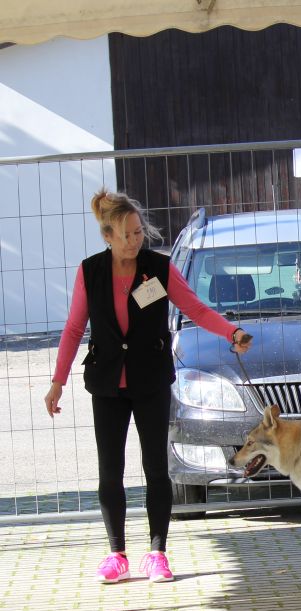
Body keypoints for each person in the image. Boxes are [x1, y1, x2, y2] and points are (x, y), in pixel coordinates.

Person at [44, 189, 253, 584]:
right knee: (111, 471)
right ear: (108, 236)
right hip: (107, 383)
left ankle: (157, 552)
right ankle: (116, 553)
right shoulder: (90, 272)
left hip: (151, 380)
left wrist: (231, 331)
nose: (135, 240)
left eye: (139, 232)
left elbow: (195, 308)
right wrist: (58, 380)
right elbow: (73, 329)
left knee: (157, 469)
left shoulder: (158, 268)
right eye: (127, 234)